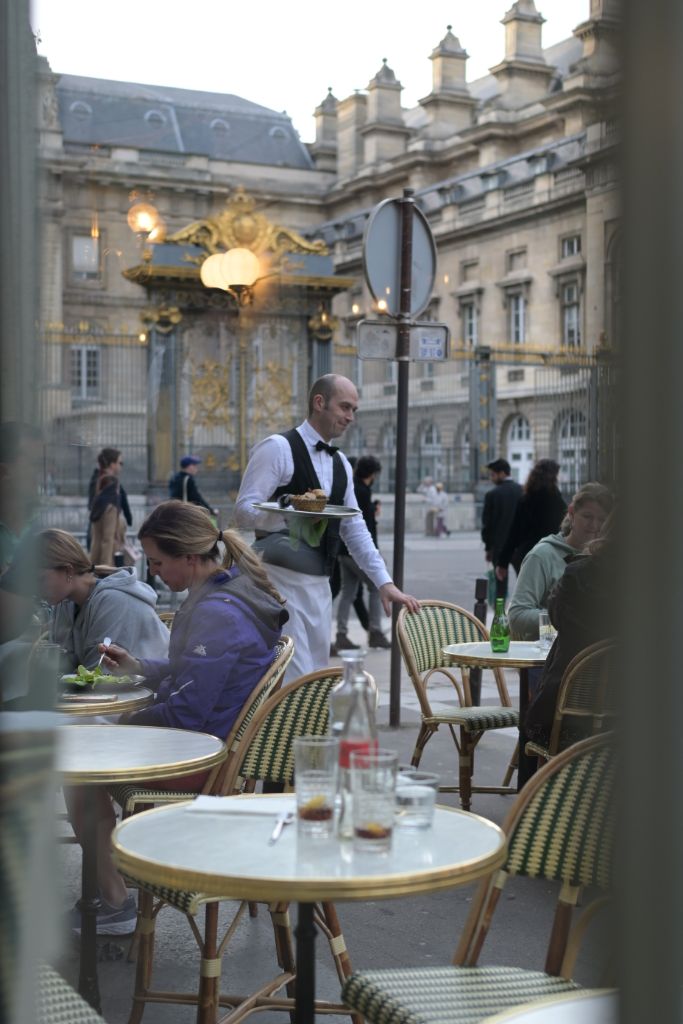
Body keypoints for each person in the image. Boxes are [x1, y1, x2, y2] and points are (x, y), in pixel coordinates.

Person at [67, 500, 288, 934]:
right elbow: (194, 673)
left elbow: (187, 711)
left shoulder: (216, 613)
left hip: (199, 759)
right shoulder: (229, 590)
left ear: (189, 557)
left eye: (157, 562)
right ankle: (126, 864)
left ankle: (114, 903)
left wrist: (121, 727)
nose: (154, 572)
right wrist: (139, 666)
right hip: (213, 745)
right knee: (89, 752)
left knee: (79, 773)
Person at [234, 373, 419, 682]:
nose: (350, 417)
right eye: (344, 407)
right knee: (291, 679)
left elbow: (355, 528)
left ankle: (304, 731)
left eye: (354, 411)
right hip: (276, 581)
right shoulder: (277, 448)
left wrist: (383, 582)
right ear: (319, 403)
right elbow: (243, 512)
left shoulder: (342, 464)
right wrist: (287, 511)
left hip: (320, 585)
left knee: (317, 677)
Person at [525, 521, 616, 749]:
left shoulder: (578, 574)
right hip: (629, 721)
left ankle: (533, 785)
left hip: (568, 721)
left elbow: (556, 618)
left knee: (530, 727)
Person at [38, 529, 169, 670]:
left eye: (40, 580)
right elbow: (60, 664)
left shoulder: (114, 601)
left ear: (68, 570)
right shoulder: (64, 601)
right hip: (116, 690)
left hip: (155, 688)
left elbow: (100, 673)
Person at [507, 483, 613, 641]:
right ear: (571, 513)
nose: (594, 525)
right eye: (587, 516)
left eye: (602, 519)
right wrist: (564, 617)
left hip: (600, 657)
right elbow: (517, 616)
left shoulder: (610, 557)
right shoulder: (542, 556)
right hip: (549, 657)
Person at [335, 454, 391, 651]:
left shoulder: (353, 487)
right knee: (377, 586)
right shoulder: (362, 491)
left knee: (348, 591)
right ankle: (375, 631)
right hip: (354, 552)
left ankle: (341, 633)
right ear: (374, 474)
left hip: (342, 551)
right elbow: (364, 528)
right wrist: (375, 555)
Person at [496, 458, 566, 581]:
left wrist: (503, 562)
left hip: (527, 554)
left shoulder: (526, 499)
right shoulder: (557, 500)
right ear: (553, 476)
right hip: (551, 554)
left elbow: (514, 533)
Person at [481, 458, 523, 601]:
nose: (491, 478)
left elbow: (487, 525)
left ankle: (500, 617)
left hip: (499, 547)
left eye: (493, 475)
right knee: (524, 583)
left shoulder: (492, 495)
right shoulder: (523, 490)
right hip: (521, 546)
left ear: (502, 473)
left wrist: (488, 548)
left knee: (500, 584)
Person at [87, 447, 131, 547]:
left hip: (105, 531)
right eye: (120, 463)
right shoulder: (102, 481)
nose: (121, 466)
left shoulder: (111, 481)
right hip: (103, 530)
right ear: (112, 465)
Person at [88, 473, 128, 566]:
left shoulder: (97, 503)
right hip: (108, 556)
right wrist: (105, 565)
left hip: (95, 553)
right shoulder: (111, 507)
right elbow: (108, 538)